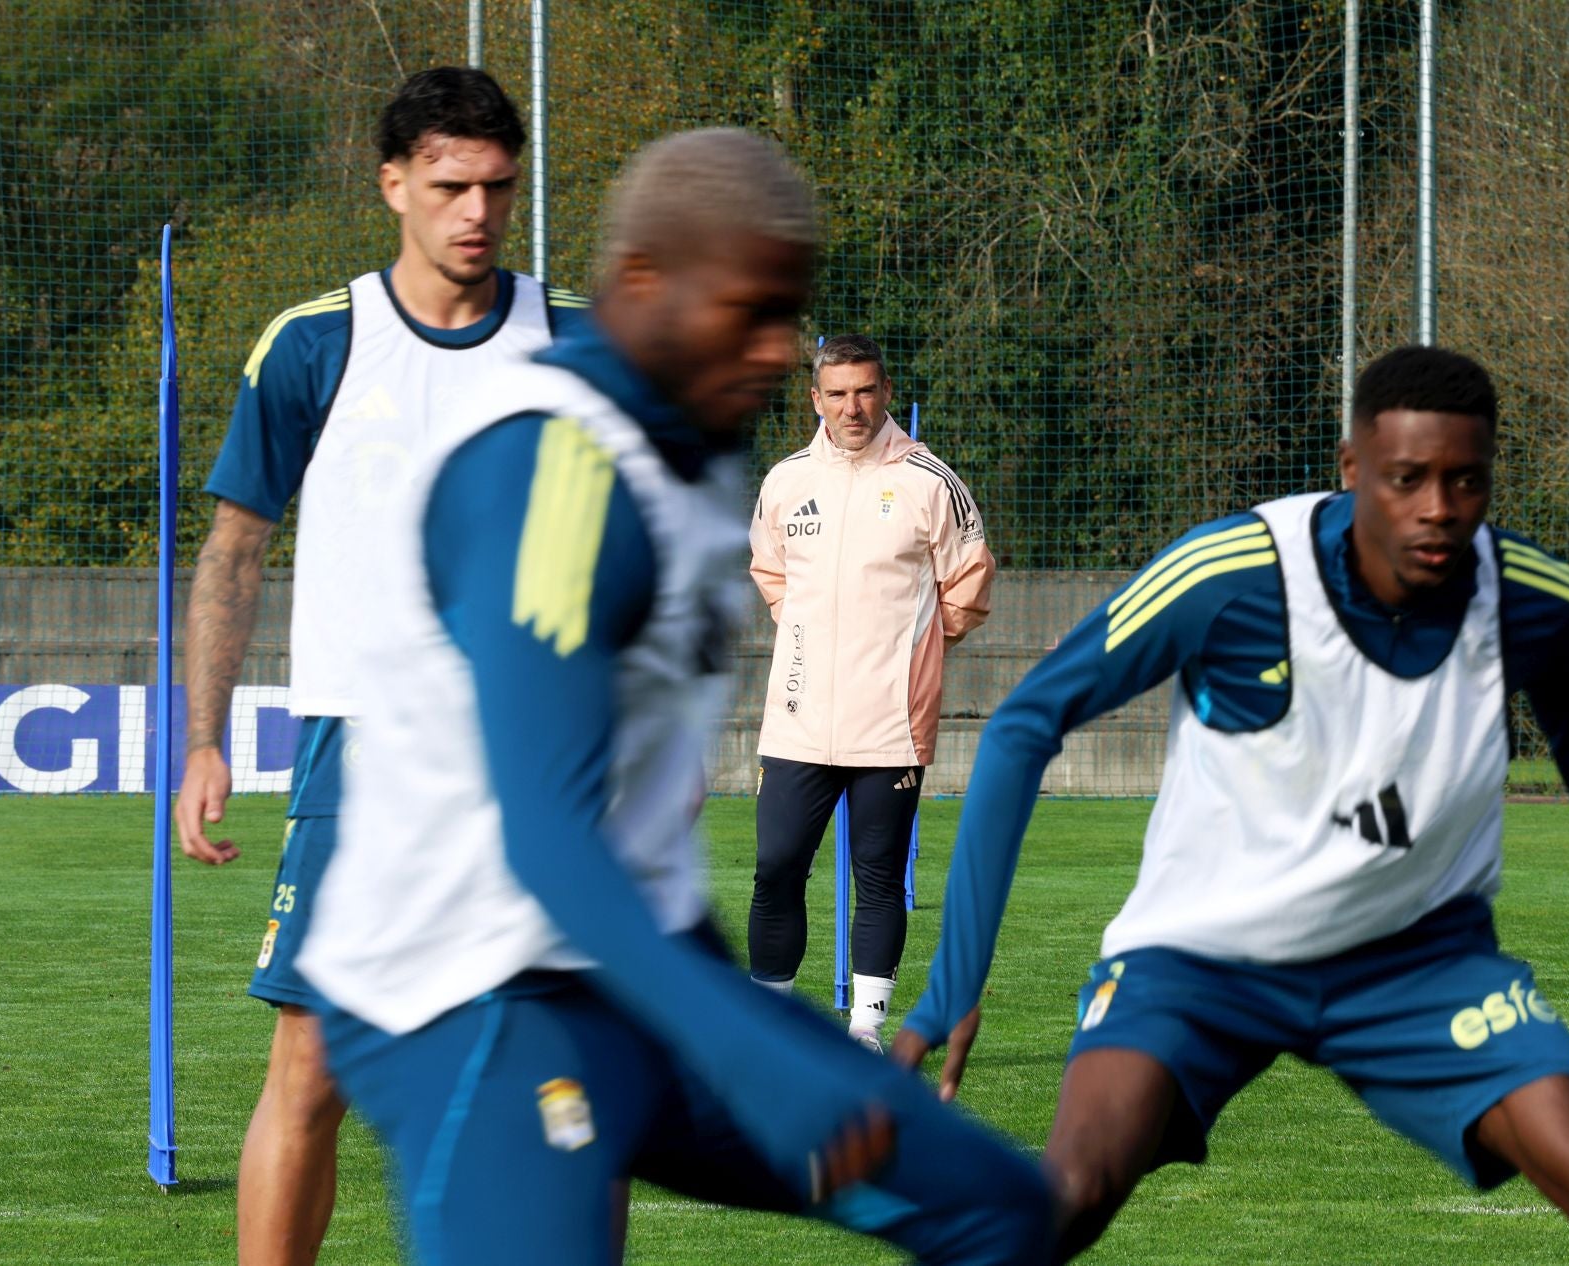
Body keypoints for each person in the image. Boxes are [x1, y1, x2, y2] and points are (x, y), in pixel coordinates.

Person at [293, 128, 1054, 1266]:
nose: (776, 350)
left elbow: (637, 834)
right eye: (748, 313)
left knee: (1000, 1203)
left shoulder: (695, 455)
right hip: (470, 995)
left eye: (787, 315)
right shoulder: (553, 467)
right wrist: (753, 1056)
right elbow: (548, 838)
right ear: (643, 283)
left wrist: (743, 1020)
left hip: (635, 980)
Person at [893, 345, 1569, 1264]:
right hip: (1202, 956)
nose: (1439, 507)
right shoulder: (1233, 574)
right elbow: (1026, 723)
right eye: (1408, 479)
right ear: (1353, 468)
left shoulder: (1533, 603)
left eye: (1467, 480)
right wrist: (956, 982)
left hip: (1417, 962)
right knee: (1066, 1199)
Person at [173, 67, 585, 1266]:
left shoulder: (577, 339)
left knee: (558, 1068)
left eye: (497, 187)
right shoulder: (315, 343)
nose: (477, 212)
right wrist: (204, 740)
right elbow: (234, 548)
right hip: (365, 748)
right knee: (314, 1065)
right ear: (393, 184)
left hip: (529, 755)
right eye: (451, 186)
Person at [747, 333, 996, 1050]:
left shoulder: (930, 480)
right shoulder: (786, 480)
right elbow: (770, 572)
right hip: (798, 718)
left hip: (891, 721)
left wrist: (911, 649)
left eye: (864, 391)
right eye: (837, 394)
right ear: (815, 400)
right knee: (776, 867)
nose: (851, 407)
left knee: (879, 876)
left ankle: (865, 1029)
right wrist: (810, 638)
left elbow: (969, 585)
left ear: (886, 393)